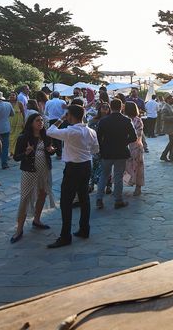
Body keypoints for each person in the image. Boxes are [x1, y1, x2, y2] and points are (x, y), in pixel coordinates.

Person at [46, 105, 99, 248]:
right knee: (84, 198)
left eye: (67, 115)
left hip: (73, 167)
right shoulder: (91, 131)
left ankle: (65, 236)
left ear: (70, 115)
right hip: (86, 165)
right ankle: (84, 229)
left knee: (66, 201)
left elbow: (49, 131)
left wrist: (59, 119)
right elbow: (95, 149)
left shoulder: (70, 131)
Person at [10, 113, 56, 243]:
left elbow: (49, 152)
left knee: (43, 194)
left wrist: (50, 151)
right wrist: (26, 152)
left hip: (45, 170)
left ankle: (37, 219)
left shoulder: (46, 136)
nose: (40, 122)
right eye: (37, 120)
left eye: (42, 120)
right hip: (29, 171)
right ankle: (19, 229)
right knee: (25, 197)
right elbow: (16, 157)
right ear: (31, 123)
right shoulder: (24, 138)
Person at [95, 99, 135, 210]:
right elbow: (133, 137)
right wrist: (124, 142)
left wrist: (102, 148)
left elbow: (98, 137)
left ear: (111, 107)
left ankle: (99, 199)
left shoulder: (104, 121)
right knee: (118, 176)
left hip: (107, 152)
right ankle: (118, 200)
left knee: (104, 175)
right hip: (121, 152)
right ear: (121, 107)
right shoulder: (126, 120)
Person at [87, 102, 110, 193]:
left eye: (107, 107)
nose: (105, 108)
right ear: (99, 109)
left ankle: (108, 185)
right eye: (103, 107)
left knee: (107, 167)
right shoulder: (93, 120)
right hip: (96, 146)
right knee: (95, 165)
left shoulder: (110, 120)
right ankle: (91, 184)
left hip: (108, 146)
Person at [123, 101, 144, 196]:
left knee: (137, 167)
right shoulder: (128, 119)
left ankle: (137, 187)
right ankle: (129, 182)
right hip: (131, 146)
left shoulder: (137, 120)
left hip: (135, 146)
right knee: (128, 167)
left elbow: (139, 134)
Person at [44, 91, 68, 159]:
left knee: (54, 136)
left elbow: (45, 112)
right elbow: (65, 111)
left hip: (52, 120)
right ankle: (59, 153)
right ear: (59, 95)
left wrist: (50, 115)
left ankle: (58, 153)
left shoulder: (48, 102)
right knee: (60, 136)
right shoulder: (62, 102)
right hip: (61, 119)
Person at [159, 95, 173, 162]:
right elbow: (163, 118)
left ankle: (164, 156)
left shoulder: (170, 106)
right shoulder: (165, 107)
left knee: (172, 142)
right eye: (172, 99)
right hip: (171, 128)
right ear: (168, 99)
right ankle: (171, 157)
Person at [8, 92, 25, 158]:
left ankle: (15, 152)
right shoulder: (7, 104)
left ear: (16, 96)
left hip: (18, 123)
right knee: (10, 138)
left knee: (16, 138)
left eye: (13, 95)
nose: (12, 96)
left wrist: (24, 122)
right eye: (10, 95)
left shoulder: (19, 103)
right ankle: (11, 152)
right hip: (10, 122)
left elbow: (23, 113)